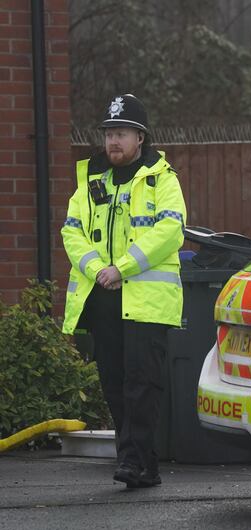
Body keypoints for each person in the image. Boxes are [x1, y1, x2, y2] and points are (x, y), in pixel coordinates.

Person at [61, 94, 187, 489]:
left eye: (122, 134)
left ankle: (133, 460)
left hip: (146, 300)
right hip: (103, 297)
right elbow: (71, 231)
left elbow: (170, 232)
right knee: (114, 383)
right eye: (109, 134)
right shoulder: (91, 181)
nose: (113, 141)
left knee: (141, 383)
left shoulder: (161, 179)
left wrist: (123, 267)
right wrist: (100, 270)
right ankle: (140, 461)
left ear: (140, 138)